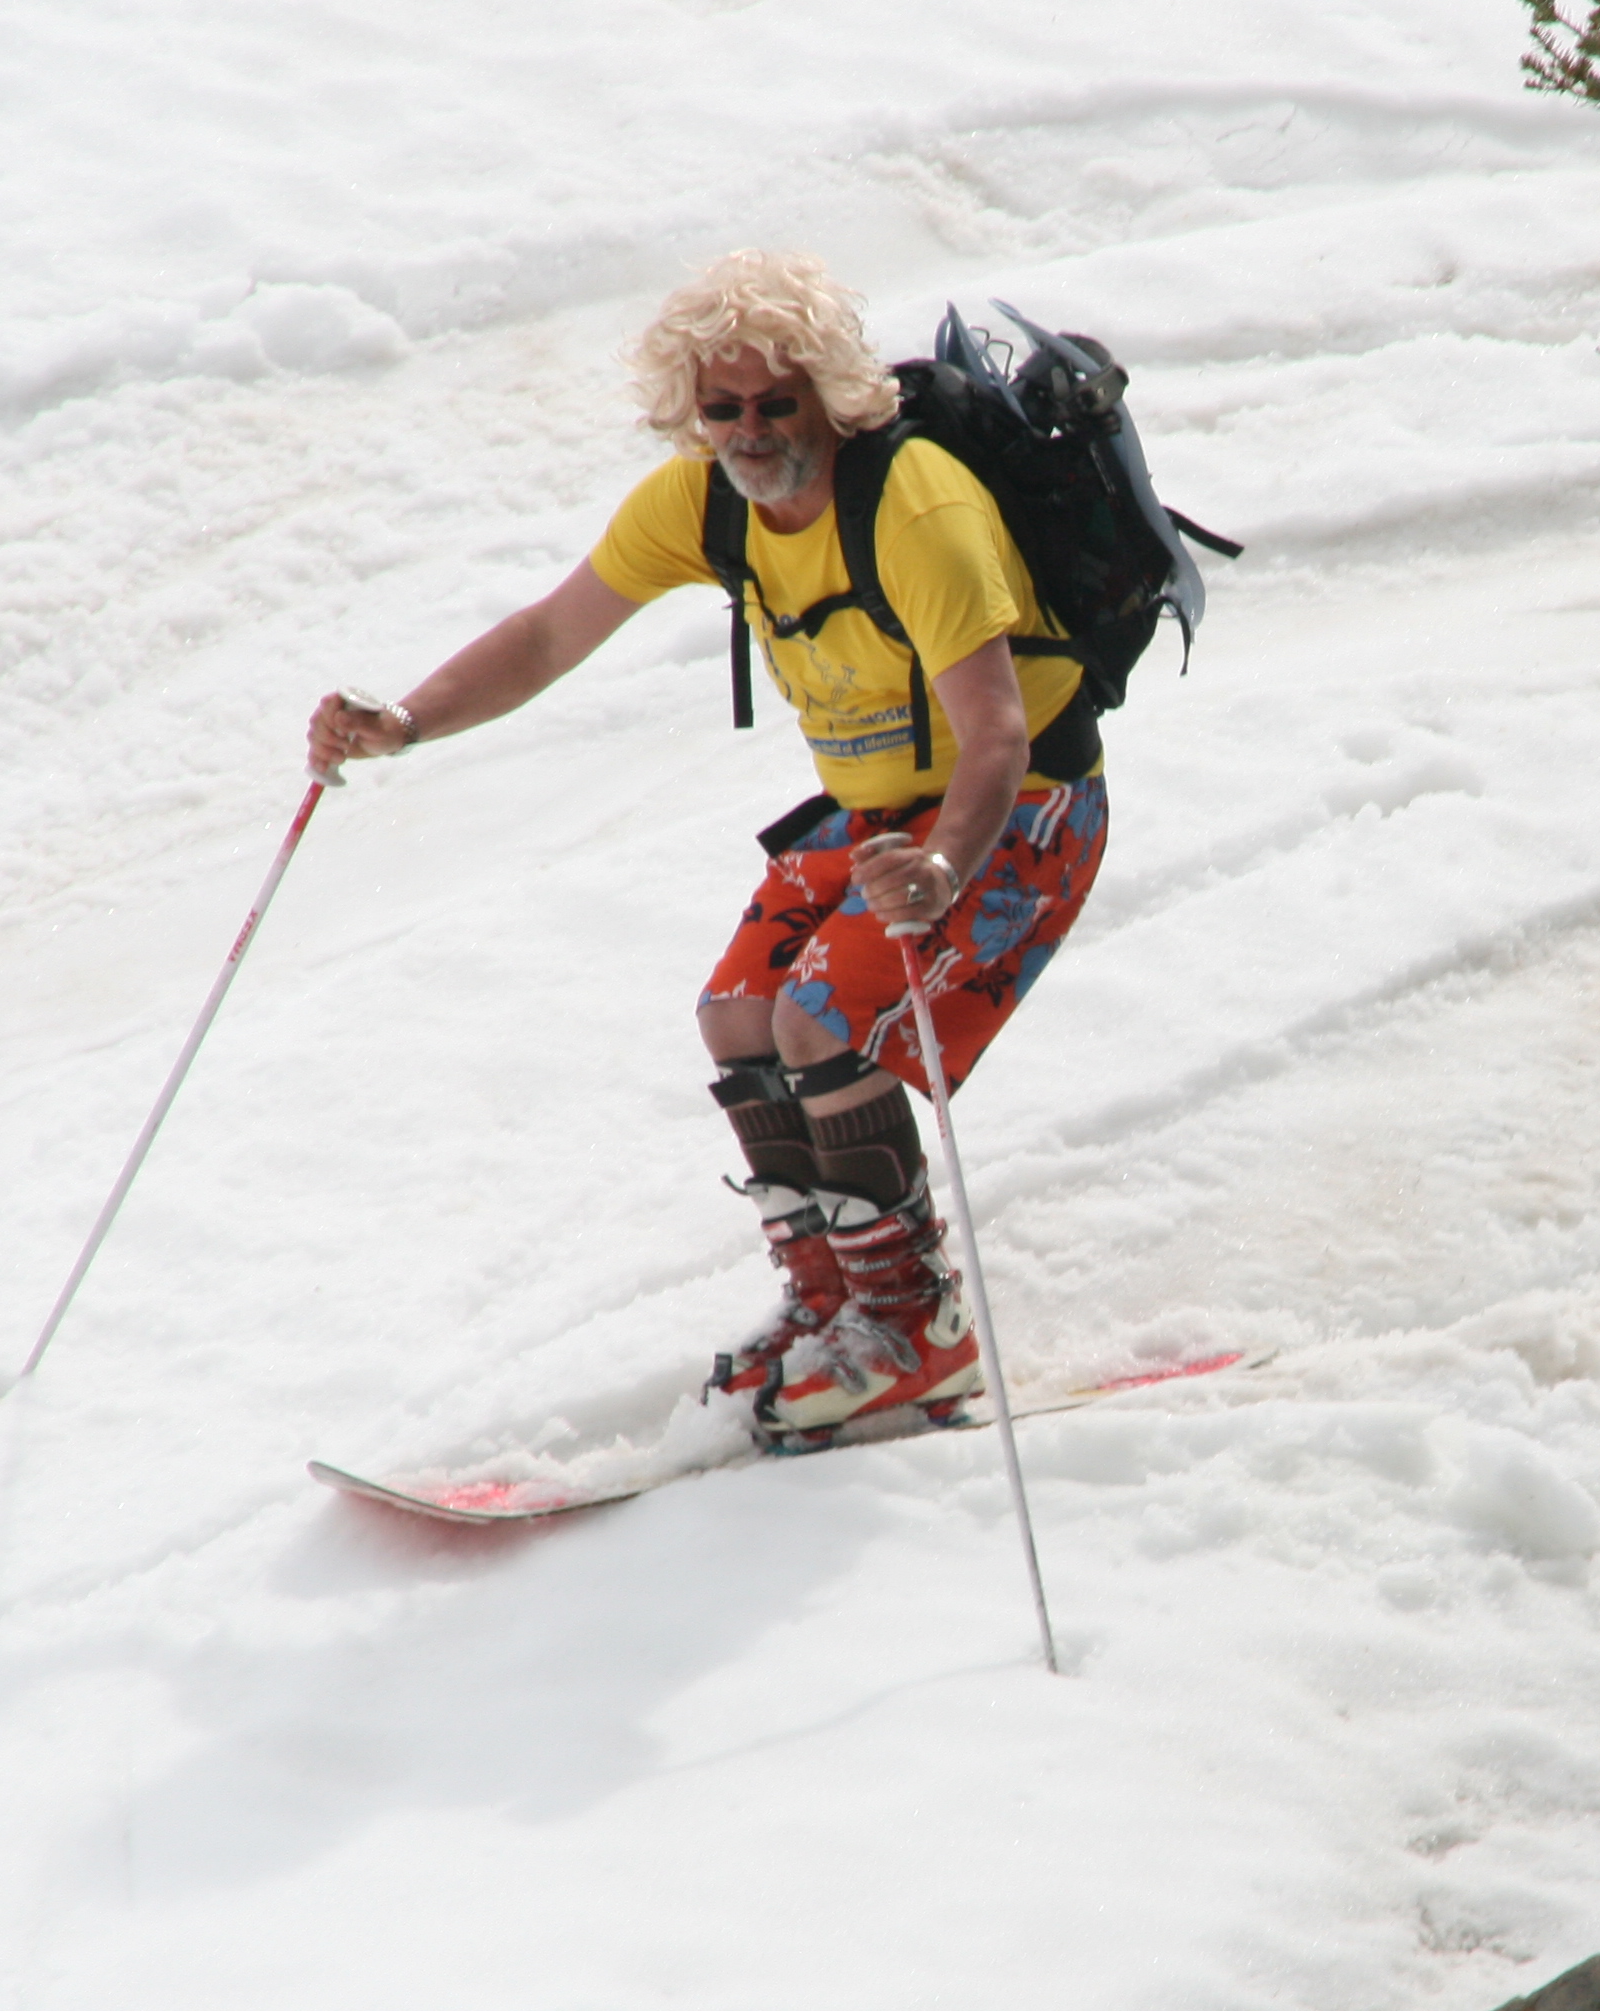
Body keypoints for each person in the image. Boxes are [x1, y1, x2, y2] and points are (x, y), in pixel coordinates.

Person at [305, 249, 1109, 1442]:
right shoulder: (704, 502)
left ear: (829, 400)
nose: (748, 430)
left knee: (824, 1022)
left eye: (776, 403)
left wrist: (942, 868)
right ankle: (835, 1306)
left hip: (1016, 807)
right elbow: (545, 636)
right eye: (720, 407)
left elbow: (993, 728)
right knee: (738, 1013)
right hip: (874, 814)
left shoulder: (916, 507)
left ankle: (914, 1327)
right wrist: (410, 722)